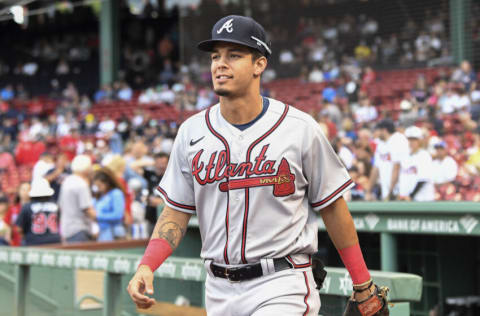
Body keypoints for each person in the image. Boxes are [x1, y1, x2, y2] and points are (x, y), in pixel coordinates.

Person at [128, 15, 384, 315]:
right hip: (218, 287)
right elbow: (176, 212)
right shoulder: (191, 132)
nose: (219, 64)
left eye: (233, 55)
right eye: (215, 56)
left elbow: (332, 207)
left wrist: (362, 284)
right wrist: (147, 265)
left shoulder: (300, 128)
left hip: (282, 282)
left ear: (259, 64)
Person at [366, 119, 409, 200]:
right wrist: (368, 191)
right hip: (386, 192)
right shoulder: (381, 144)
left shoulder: (398, 139)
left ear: (384, 130)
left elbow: (397, 167)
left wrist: (391, 192)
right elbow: (375, 169)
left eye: (378, 130)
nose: (376, 133)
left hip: (398, 191)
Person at [58, 155, 96, 243]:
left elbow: (60, 206)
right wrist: (102, 220)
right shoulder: (81, 184)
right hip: (79, 229)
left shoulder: (67, 181)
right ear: (86, 168)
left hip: (67, 229)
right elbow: (87, 209)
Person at [15, 178, 61, 245]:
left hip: (34, 243)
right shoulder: (56, 206)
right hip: (54, 241)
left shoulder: (27, 207)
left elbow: (19, 228)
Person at [398, 126, 435, 201]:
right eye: (409, 139)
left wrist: (411, 196)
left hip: (422, 200)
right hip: (406, 199)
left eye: (414, 139)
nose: (411, 142)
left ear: (420, 141)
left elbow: (423, 179)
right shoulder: (405, 156)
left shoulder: (424, 155)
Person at [92, 168, 126, 242]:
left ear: (107, 183)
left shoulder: (116, 193)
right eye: (96, 186)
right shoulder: (98, 196)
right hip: (101, 234)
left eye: (100, 185)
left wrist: (98, 216)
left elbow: (118, 215)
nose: (98, 188)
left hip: (114, 234)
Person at [142, 152, 169, 233]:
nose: (161, 166)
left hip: (166, 220)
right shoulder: (150, 175)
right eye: (159, 163)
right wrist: (152, 162)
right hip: (151, 218)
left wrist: (163, 202)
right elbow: (133, 167)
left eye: (164, 163)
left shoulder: (171, 178)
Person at [4, 182, 31, 246]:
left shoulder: (34, 208)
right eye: (23, 189)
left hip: (30, 241)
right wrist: (8, 235)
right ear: (19, 191)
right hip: (15, 242)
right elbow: (8, 224)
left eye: (28, 190)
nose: (25, 192)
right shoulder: (13, 208)